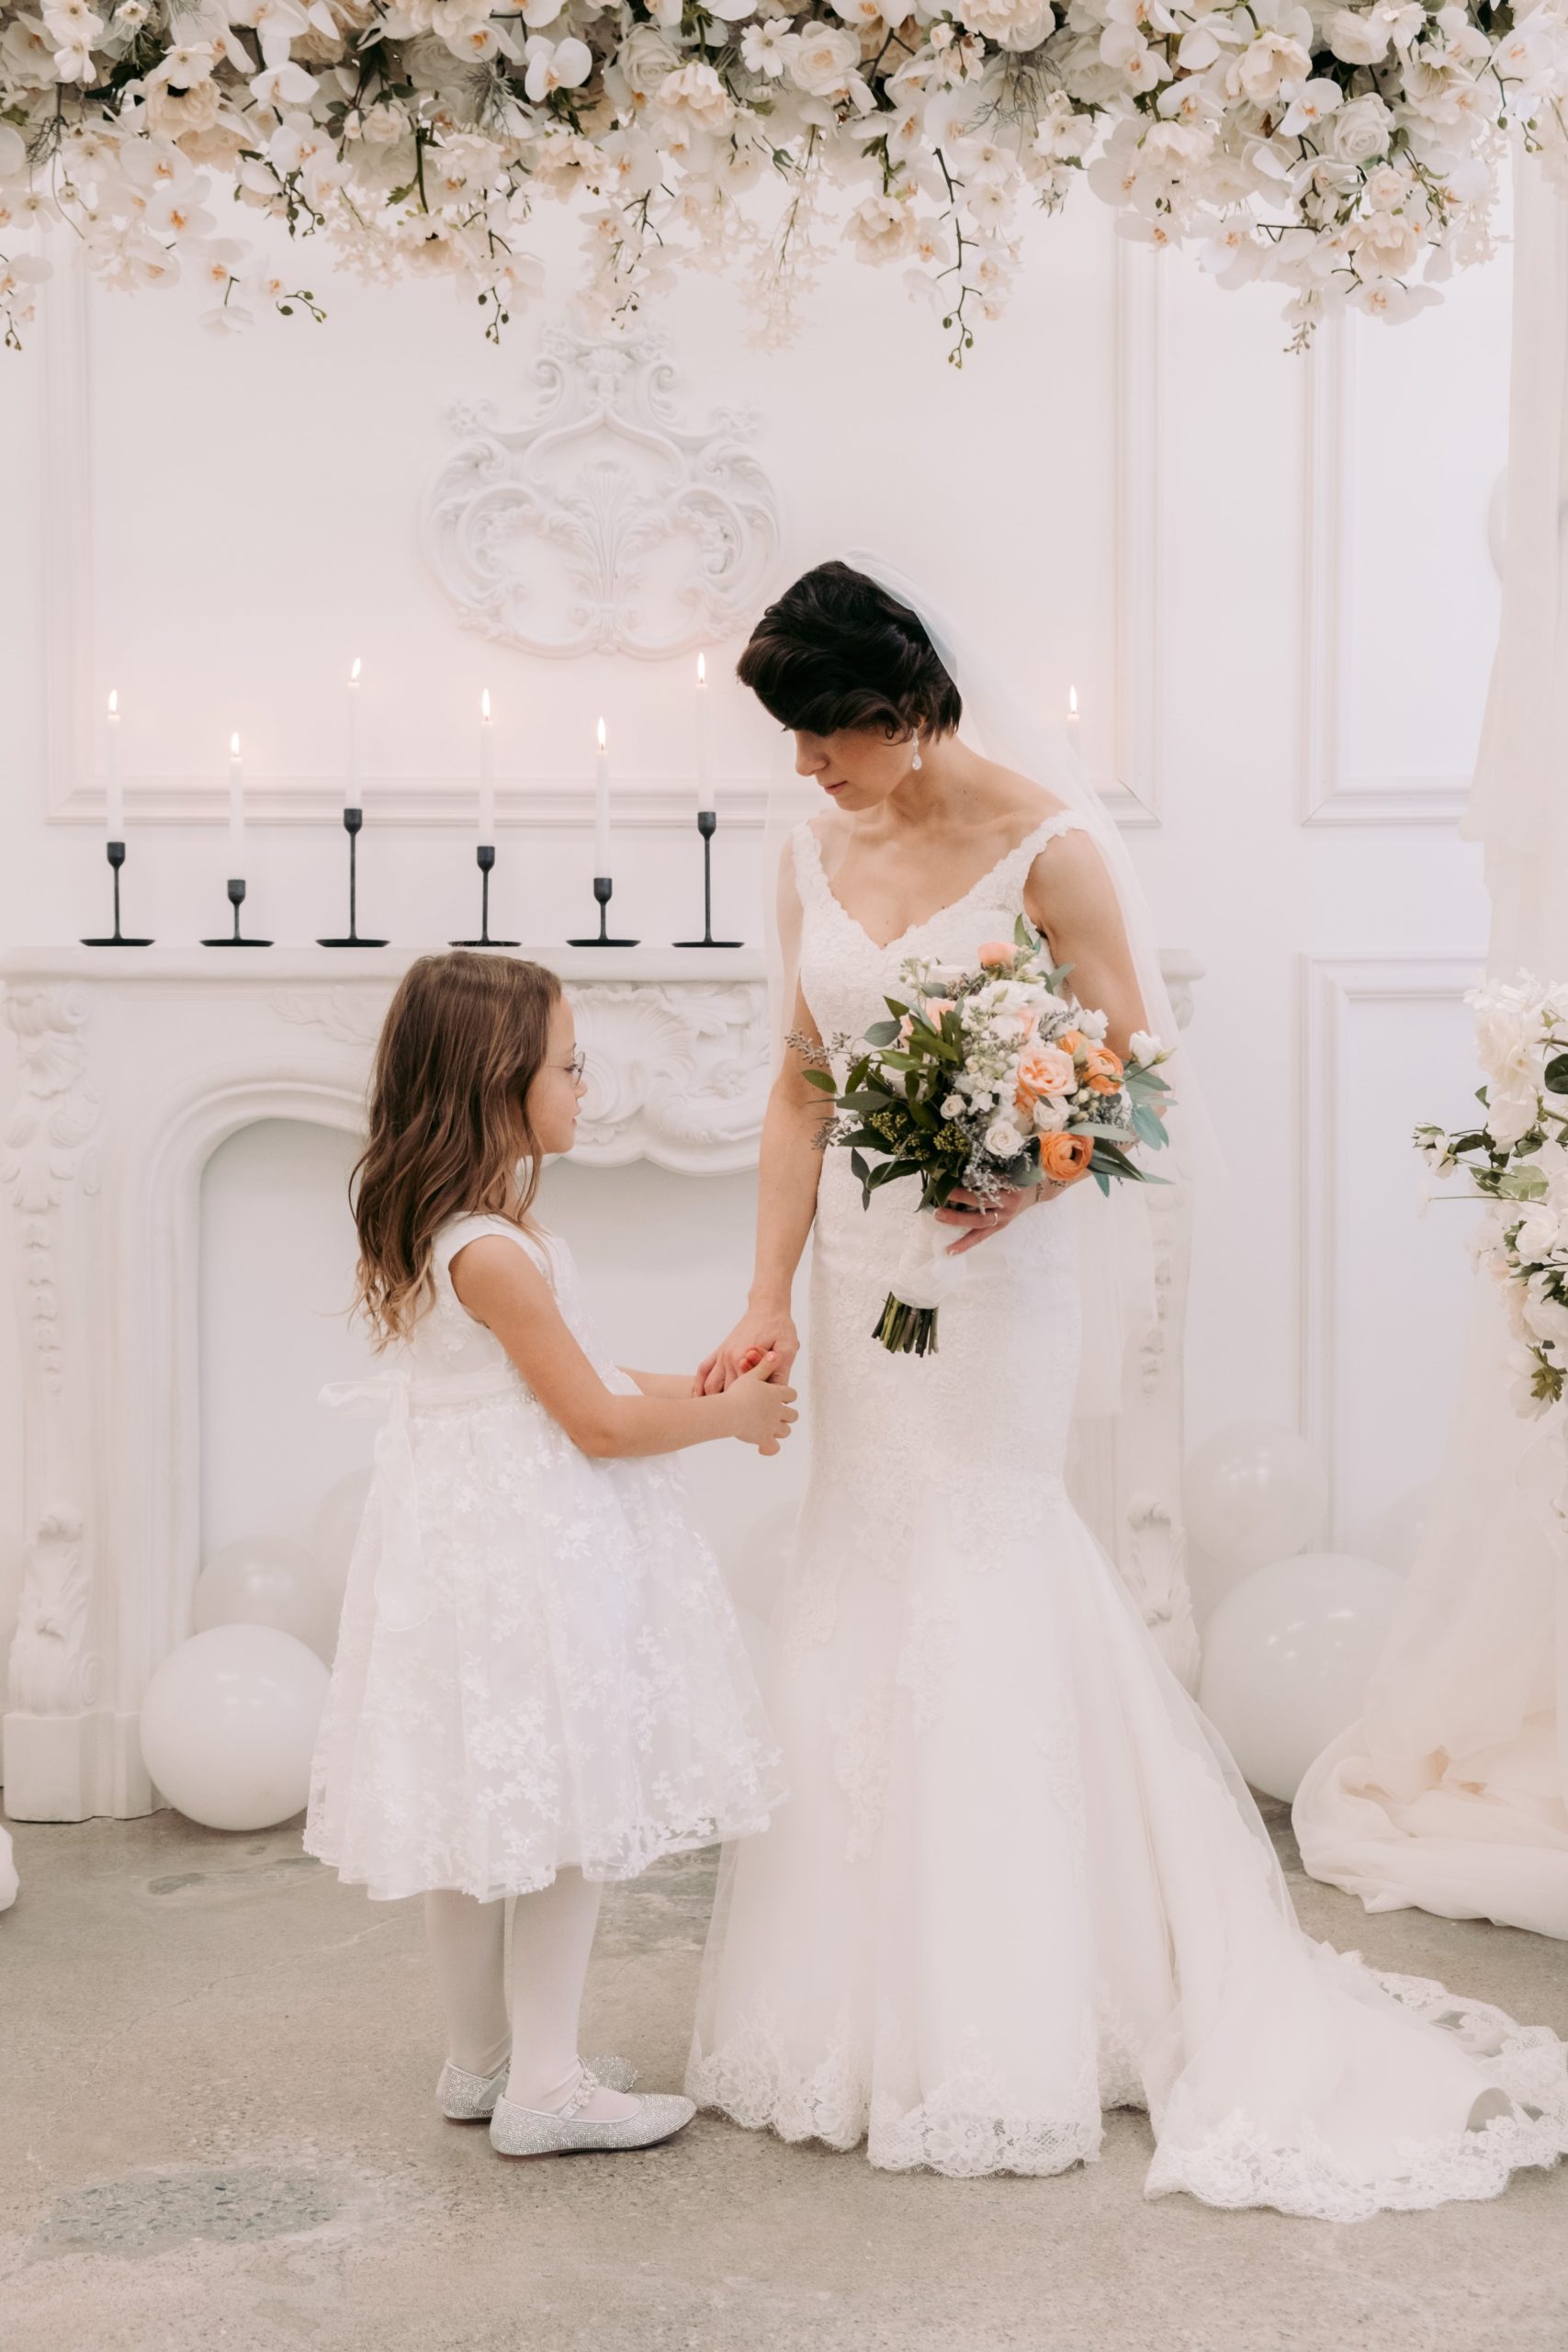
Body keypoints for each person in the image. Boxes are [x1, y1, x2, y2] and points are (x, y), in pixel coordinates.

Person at [684, 558, 1568, 2217]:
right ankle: (854, 2002)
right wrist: (767, 1302)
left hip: (993, 1281)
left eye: (826, 737)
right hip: (862, 1269)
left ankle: (1023, 2003)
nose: (805, 771)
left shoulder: (1047, 849)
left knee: (985, 1565)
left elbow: (1134, 1075)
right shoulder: (811, 854)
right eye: (794, 744)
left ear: (908, 710)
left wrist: (1030, 1170)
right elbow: (801, 1089)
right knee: (862, 1564)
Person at [305, 950, 794, 2158]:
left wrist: (699, 1376)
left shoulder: (449, 1228)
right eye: (567, 1066)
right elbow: (595, 1423)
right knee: (569, 1811)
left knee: (480, 1821)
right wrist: (730, 1423)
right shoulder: (499, 1253)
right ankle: (553, 2083)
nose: (585, 1084)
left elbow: (568, 1385)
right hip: (530, 1559)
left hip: (464, 1559)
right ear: (498, 1080)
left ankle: (482, 2063)